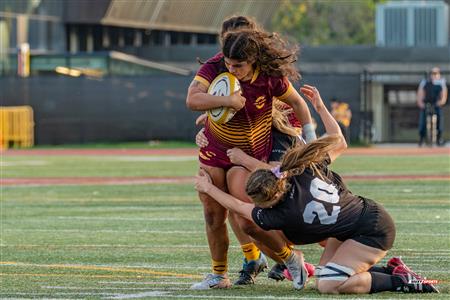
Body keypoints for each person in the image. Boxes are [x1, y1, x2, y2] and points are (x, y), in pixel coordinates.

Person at [195, 84, 439, 294]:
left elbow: (238, 206)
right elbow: (339, 140)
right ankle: (393, 268)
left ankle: (399, 281)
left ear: (272, 200)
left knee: (329, 284)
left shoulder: (280, 212)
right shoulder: (301, 168)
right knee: (327, 272)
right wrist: (320, 107)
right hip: (355, 220)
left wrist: (209, 185)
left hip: (372, 230)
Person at [186, 20, 316, 289]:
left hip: (244, 155)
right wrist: (227, 101)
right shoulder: (215, 66)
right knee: (212, 214)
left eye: (238, 66)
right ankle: (219, 275)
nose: (231, 70)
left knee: (249, 221)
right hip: (213, 149)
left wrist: (310, 138)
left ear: (253, 59)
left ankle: (291, 259)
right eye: (229, 64)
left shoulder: (270, 76)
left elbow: (297, 103)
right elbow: (192, 100)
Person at [417, 67, 447, 146]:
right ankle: (422, 138)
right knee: (422, 120)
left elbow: (443, 95)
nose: (434, 75)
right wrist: (421, 103)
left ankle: (439, 138)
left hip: (436, 104)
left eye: (436, 73)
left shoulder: (441, 82)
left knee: (439, 119)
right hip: (426, 103)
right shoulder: (425, 82)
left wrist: (440, 102)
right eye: (432, 73)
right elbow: (420, 94)